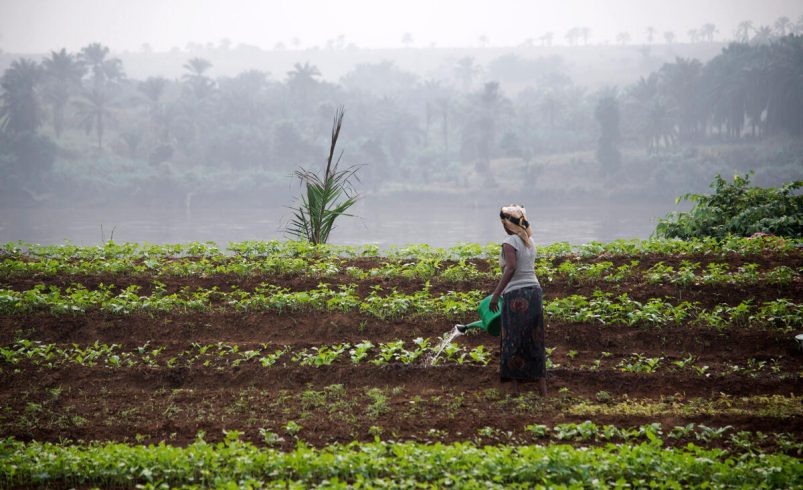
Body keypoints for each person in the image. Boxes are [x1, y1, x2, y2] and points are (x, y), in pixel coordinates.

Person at [488, 204, 547, 395]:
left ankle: (514, 388)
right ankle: (542, 387)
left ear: (506, 224)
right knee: (535, 338)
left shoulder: (509, 242)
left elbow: (511, 268)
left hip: (517, 296)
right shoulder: (530, 241)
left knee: (512, 339)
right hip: (535, 292)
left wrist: (496, 294)